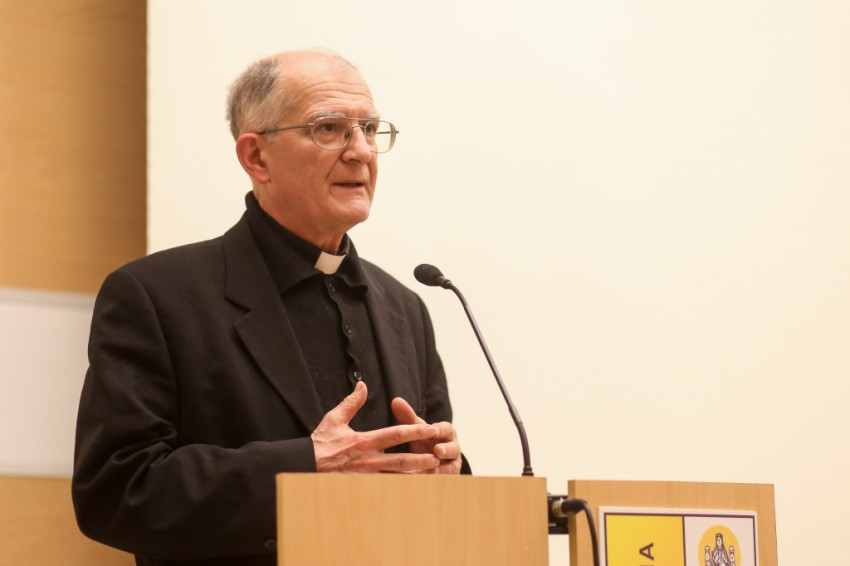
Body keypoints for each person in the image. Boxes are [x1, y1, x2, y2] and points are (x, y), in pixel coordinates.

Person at [72, 49, 466, 566]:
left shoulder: (405, 308)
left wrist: (447, 472)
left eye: (369, 129)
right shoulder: (156, 294)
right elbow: (116, 491)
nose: (360, 151)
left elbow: (433, 487)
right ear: (257, 157)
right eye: (330, 129)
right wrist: (304, 465)